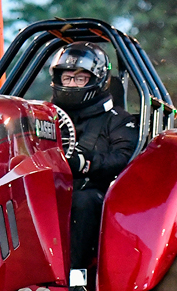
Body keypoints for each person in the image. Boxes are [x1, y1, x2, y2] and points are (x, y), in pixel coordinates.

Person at [50, 42, 139, 269]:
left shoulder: (119, 119)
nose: (71, 84)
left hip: (100, 197)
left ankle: (76, 278)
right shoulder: (45, 118)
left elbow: (123, 158)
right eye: (67, 78)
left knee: (84, 200)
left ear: (97, 79)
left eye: (80, 79)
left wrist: (86, 162)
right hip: (50, 191)